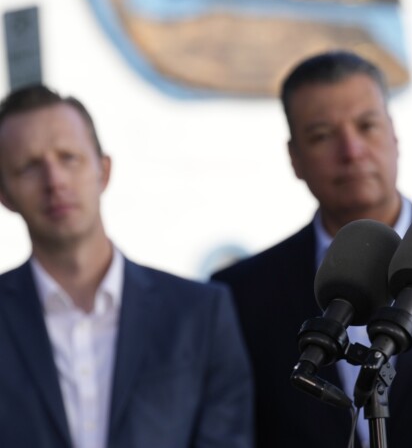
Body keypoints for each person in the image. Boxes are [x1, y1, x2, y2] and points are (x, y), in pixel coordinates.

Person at [211, 50, 412, 448]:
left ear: (394, 134)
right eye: (322, 136)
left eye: (367, 126)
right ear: (294, 158)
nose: (351, 151)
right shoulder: (239, 294)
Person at [0, 84, 253, 448]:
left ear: (103, 171)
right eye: (29, 167)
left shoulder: (200, 314)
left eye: (69, 157)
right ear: (5, 194)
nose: (55, 181)